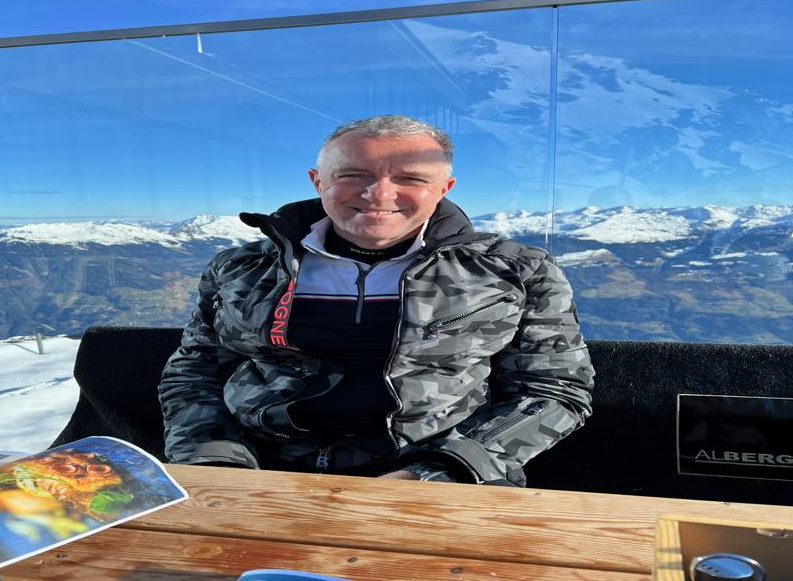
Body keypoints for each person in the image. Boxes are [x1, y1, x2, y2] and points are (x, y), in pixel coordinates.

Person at [159, 115, 594, 486]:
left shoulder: (515, 270)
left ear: (444, 187)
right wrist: (212, 458)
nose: (380, 194)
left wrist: (443, 471)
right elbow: (194, 372)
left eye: (410, 179)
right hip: (255, 468)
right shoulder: (242, 268)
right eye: (354, 175)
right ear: (318, 181)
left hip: (442, 474)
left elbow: (555, 391)